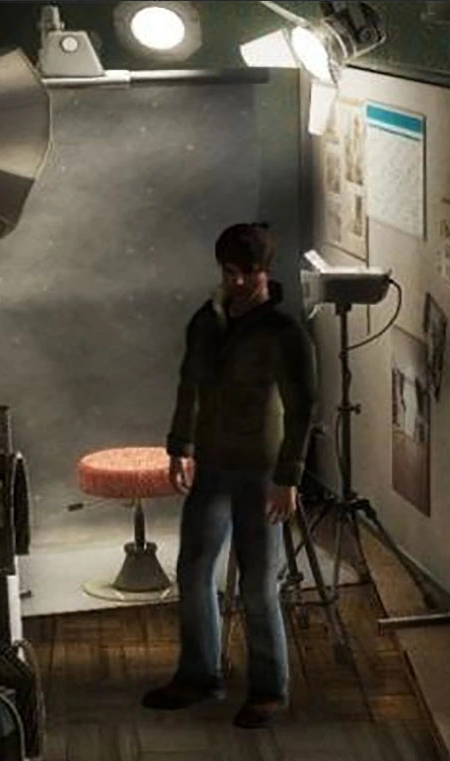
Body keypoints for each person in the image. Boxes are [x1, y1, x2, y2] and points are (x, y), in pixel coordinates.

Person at [141, 223, 318, 729]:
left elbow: (303, 407)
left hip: (261, 469)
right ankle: (199, 675)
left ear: (266, 272)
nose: (238, 282)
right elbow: (189, 386)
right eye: (230, 272)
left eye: (248, 273)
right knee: (193, 570)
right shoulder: (207, 321)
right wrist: (180, 448)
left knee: (259, 584)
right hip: (213, 463)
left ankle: (269, 689)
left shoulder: (283, 331)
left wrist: (289, 476)